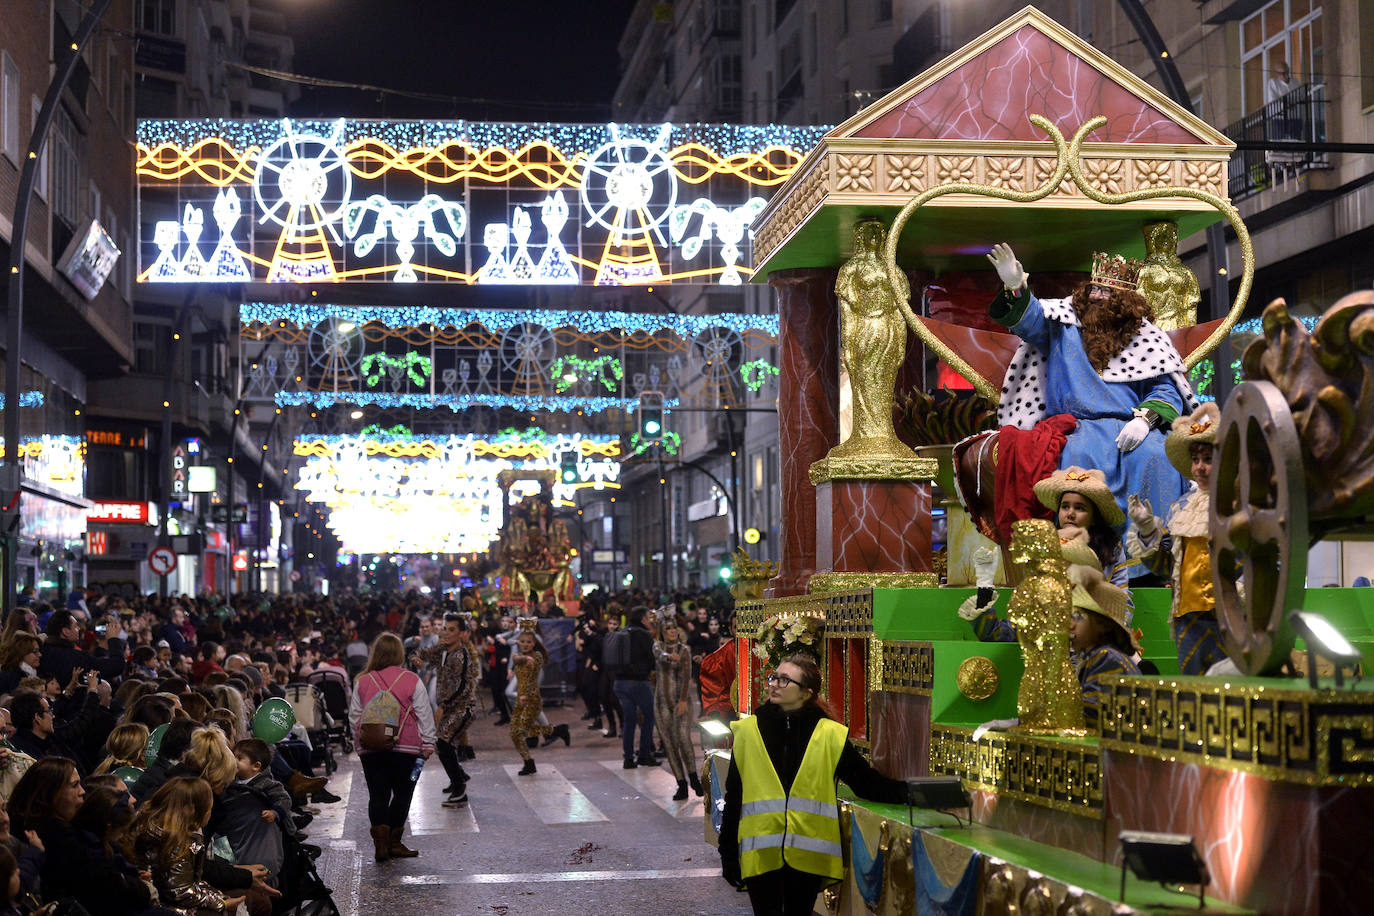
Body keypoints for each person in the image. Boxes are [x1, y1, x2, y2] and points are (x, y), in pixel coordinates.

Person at [985, 243, 1195, 537]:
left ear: (1125, 302)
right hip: (1075, 429)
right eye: (1094, 288)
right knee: (1077, 459)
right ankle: (1081, 552)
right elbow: (1030, 320)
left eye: (1106, 292)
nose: (1096, 296)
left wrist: (1144, 421)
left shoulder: (1146, 338)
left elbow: (1166, 388)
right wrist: (1017, 288)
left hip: (1131, 426)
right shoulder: (1062, 325)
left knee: (1159, 456)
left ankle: (1153, 559)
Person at [719, 655, 913, 916]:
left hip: (808, 856)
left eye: (785, 680)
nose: (774, 684)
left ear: (807, 692)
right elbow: (735, 796)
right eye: (774, 677)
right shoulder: (747, 731)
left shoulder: (830, 734)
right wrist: (728, 851)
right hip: (760, 853)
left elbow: (866, 784)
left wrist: (913, 794)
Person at [1127, 402, 1224, 674]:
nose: (1200, 467)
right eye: (1196, 460)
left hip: (1230, 616)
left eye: (1208, 459)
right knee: (1193, 691)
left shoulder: (1237, 506)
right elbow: (1166, 566)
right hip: (1187, 617)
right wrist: (1147, 528)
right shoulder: (1181, 508)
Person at [8, 757, 171, 916]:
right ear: (51, 793)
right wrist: (141, 887)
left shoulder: (70, 830)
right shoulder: (60, 841)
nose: (82, 792)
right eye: (74, 785)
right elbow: (109, 888)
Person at [348, 632, 434, 863]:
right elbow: (424, 713)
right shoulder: (411, 680)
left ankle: (380, 845)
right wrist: (428, 742)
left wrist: (360, 744)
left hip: (372, 748)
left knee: (377, 795)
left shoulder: (363, 681)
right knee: (403, 794)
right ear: (399, 654)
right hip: (407, 748)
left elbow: (355, 716)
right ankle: (395, 842)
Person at [129, 776, 241, 915]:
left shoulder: (152, 824)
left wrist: (215, 895)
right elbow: (180, 892)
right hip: (164, 908)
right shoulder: (178, 841)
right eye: (209, 809)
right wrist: (220, 903)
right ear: (191, 810)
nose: (210, 813)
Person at [410, 613, 481, 805]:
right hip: (450, 707)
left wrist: (442, 706)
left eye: (452, 630)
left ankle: (459, 790)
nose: (447, 633)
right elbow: (425, 652)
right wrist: (416, 657)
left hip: (462, 707)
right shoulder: (442, 648)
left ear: (462, 633)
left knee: (443, 743)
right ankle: (458, 777)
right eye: (445, 629)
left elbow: (461, 687)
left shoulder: (461, 656)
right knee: (443, 745)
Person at [1033, 467, 1128, 585]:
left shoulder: (1112, 548)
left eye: (1079, 508)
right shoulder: (1046, 546)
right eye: (1065, 506)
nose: (1070, 514)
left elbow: (1122, 597)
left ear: (1094, 517)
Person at [507, 624, 569, 776]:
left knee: (519, 732)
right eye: (522, 642)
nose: (526, 644)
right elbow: (515, 658)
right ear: (519, 642)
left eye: (529, 642)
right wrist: (523, 656)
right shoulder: (520, 657)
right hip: (521, 701)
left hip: (531, 700)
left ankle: (530, 762)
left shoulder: (538, 657)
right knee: (515, 734)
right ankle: (555, 731)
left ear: (534, 643)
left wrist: (525, 695)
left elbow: (532, 679)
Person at [653, 612, 700, 800]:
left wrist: (682, 700)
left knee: (683, 738)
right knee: (669, 743)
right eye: (668, 629)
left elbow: (687, 677)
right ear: (662, 632)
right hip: (661, 702)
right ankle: (681, 784)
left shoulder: (685, 650)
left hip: (681, 701)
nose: (672, 631)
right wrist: (668, 656)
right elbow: (659, 655)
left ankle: (694, 778)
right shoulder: (658, 646)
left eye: (674, 628)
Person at [610, 606, 658, 769]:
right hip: (639, 682)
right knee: (649, 716)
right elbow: (652, 658)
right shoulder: (643, 634)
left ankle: (628, 758)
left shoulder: (621, 632)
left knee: (629, 720)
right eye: (647, 617)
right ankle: (644, 754)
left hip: (620, 683)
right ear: (643, 619)